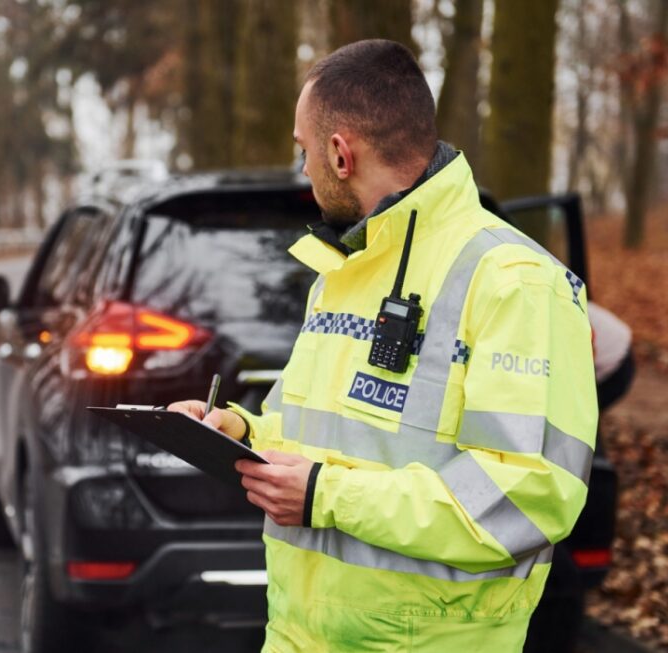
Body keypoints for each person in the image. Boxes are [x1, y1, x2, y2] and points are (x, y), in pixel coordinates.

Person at [168, 39, 597, 652]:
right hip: (297, 635)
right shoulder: (343, 270)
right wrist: (238, 432)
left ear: (340, 154)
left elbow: (527, 497)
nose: (305, 169)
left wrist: (325, 494)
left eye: (304, 152)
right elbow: (322, 438)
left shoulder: (516, 282)